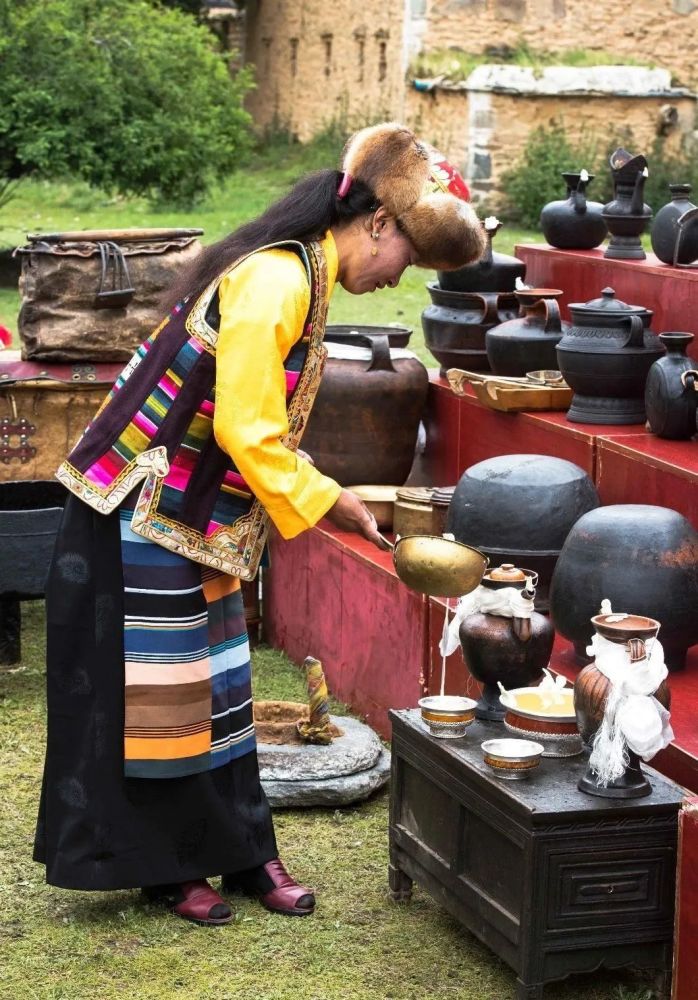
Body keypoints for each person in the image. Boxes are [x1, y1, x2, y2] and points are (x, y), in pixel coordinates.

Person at [33, 123, 485, 926]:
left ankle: (243, 851)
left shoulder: (306, 274)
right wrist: (330, 499)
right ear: (378, 222)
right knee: (164, 701)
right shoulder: (279, 279)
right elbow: (247, 427)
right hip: (140, 509)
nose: (397, 279)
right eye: (405, 258)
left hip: (195, 517)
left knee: (222, 693)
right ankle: (170, 867)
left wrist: (318, 496)